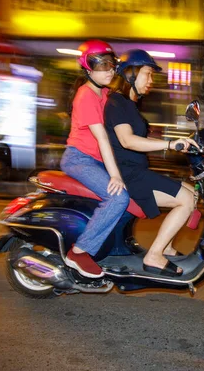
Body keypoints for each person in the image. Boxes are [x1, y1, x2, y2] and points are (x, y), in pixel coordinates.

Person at [104, 49, 198, 277]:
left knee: (191, 191)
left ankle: (165, 246)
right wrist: (168, 144)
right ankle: (154, 254)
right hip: (129, 176)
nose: (151, 81)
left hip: (137, 171)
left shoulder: (130, 105)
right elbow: (128, 141)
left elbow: (141, 140)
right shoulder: (116, 103)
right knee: (185, 200)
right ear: (130, 75)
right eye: (148, 74)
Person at [60, 39, 129, 279]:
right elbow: (101, 139)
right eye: (103, 65)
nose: (109, 70)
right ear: (88, 68)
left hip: (95, 159)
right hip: (80, 159)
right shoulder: (86, 95)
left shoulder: (105, 93)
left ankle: (116, 247)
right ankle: (79, 252)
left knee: (134, 199)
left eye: (112, 65)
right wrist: (116, 175)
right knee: (118, 197)